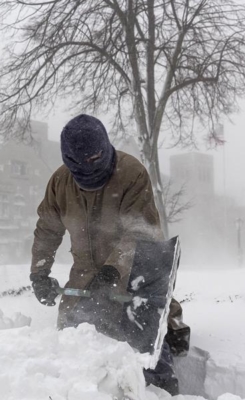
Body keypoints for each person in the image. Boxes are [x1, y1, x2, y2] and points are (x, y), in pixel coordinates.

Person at [29, 114, 188, 395]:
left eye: (94, 160)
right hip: (84, 280)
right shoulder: (59, 183)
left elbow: (141, 232)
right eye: (80, 164)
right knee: (74, 348)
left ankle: (161, 386)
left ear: (104, 148)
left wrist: (113, 269)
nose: (88, 168)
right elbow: (47, 230)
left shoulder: (132, 174)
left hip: (132, 275)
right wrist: (39, 274)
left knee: (145, 347)